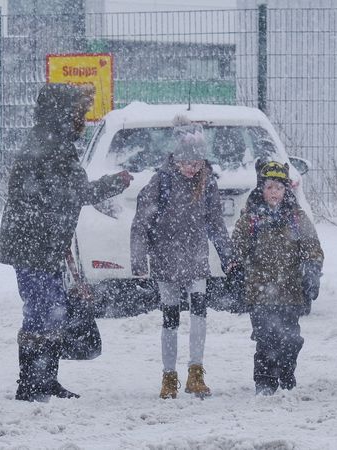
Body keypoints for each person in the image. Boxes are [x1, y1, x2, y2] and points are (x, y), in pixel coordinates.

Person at [0, 83, 132, 402]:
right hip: (33, 243)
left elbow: (62, 193)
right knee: (43, 311)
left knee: (51, 310)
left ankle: (44, 381)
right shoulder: (52, 144)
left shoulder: (49, 140)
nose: (83, 120)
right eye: (79, 113)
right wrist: (116, 182)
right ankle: (31, 384)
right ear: (63, 113)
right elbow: (77, 192)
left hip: (39, 241)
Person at [130, 114, 234, 399]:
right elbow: (141, 224)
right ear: (175, 159)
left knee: (199, 314)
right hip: (166, 260)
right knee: (170, 319)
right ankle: (169, 375)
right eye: (187, 163)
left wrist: (228, 257)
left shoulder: (208, 183)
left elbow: (215, 224)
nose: (192, 168)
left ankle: (196, 372)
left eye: (197, 163)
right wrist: (139, 263)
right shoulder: (159, 182)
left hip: (196, 258)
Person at [231, 159, 324, 395]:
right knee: (265, 338)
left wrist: (312, 271)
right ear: (261, 189)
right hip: (259, 291)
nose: (274, 193)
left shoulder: (297, 218)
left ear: (287, 190)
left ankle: (286, 373)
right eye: (270, 187)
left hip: (291, 291)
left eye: (279, 188)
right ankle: (264, 381)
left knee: (290, 339)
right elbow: (236, 250)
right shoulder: (250, 219)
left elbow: (313, 247)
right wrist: (236, 272)